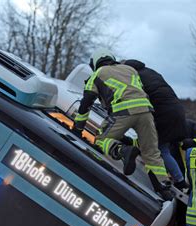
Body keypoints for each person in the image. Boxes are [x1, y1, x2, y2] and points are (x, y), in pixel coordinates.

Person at [72, 48, 172, 200]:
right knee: (151, 153)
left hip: (122, 111)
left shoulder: (97, 74)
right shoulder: (130, 69)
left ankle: (121, 151)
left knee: (100, 141)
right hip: (146, 111)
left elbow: (86, 103)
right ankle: (164, 188)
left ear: (95, 64)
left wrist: (77, 129)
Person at [123, 59, 188, 189]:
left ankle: (172, 181)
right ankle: (179, 179)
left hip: (164, 115)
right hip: (176, 112)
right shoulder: (151, 72)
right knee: (162, 148)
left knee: (158, 149)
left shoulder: (136, 77)